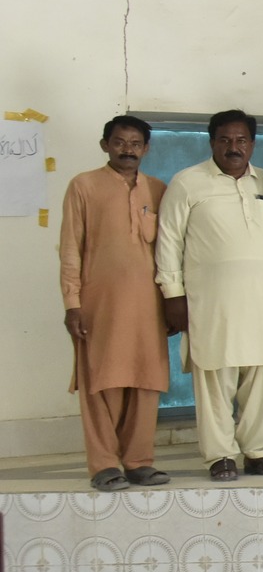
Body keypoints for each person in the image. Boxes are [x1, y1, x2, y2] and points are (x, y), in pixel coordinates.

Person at [155, 109, 263, 482]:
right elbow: (168, 241)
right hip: (211, 303)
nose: (233, 147)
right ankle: (220, 456)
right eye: (225, 139)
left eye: (241, 140)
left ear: (252, 144)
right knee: (215, 376)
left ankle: (259, 452)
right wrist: (172, 295)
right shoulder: (187, 183)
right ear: (211, 142)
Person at [59, 115, 171, 489]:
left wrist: (173, 302)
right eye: (120, 142)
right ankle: (104, 464)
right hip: (99, 305)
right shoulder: (84, 186)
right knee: (102, 382)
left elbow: (171, 251)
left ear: (146, 149)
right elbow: (70, 248)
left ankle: (139, 462)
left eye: (135, 144)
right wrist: (72, 303)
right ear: (105, 145)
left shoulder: (158, 190)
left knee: (146, 381)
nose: (128, 150)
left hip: (149, 307)